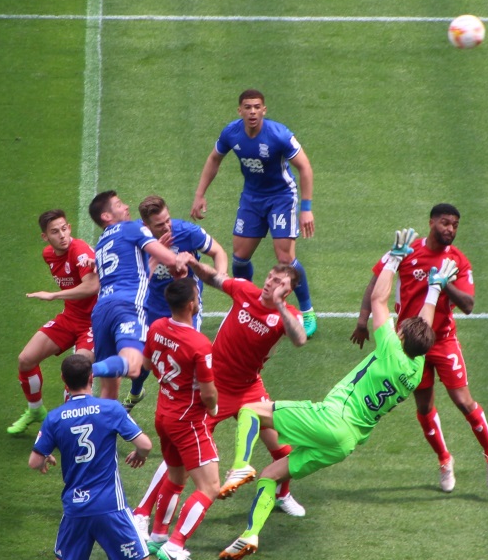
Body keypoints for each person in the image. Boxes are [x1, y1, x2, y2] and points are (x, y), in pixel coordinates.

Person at [218, 229, 451, 560]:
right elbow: (423, 330)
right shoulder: (415, 368)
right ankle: (249, 534)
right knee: (271, 475)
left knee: (251, 411)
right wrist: (435, 290)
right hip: (346, 443)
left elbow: (379, 301)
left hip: (331, 418)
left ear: (400, 336)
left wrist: (393, 259)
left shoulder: (391, 349)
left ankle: (240, 466)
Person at [132, 258, 308, 542]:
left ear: (287, 291)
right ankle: (142, 512)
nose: (270, 283)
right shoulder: (244, 290)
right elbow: (214, 277)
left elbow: (300, 339)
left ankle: (282, 494)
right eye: (270, 277)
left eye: (279, 282)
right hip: (215, 387)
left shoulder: (288, 315)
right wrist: (193, 262)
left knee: (282, 448)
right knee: (181, 458)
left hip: (249, 389)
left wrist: (278, 305)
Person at [24, 354, 178, 560]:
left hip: (76, 510)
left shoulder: (55, 417)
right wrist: (139, 455)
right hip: (110, 507)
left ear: (64, 381)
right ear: (91, 379)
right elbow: (145, 444)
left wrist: (47, 457)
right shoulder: (110, 409)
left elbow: (34, 461)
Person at [350, 203, 488, 493]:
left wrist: (445, 284)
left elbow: (468, 305)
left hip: (443, 340)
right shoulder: (408, 252)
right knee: (424, 406)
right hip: (410, 344)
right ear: (431, 222)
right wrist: (362, 320)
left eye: (455, 225)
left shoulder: (458, 261)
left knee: (463, 401)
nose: (450, 229)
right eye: (445, 223)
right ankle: (444, 460)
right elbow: (376, 283)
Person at [190, 88, 318, 337]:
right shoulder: (231, 133)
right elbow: (214, 159)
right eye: (247, 107)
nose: (252, 112)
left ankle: (307, 311)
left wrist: (306, 209)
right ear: (240, 111)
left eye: (257, 107)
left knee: (285, 258)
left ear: (264, 110)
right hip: (252, 198)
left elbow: (305, 167)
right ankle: (246, 306)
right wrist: (199, 194)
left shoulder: (279, 134)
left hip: (281, 197)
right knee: (240, 257)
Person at [139, 279, 219, 560]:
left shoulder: (157, 326)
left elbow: (147, 364)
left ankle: (158, 536)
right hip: (188, 421)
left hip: (164, 414)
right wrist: (213, 408)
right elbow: (209, 394)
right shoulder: (199, 344)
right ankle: (175, 545)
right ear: (191, 304)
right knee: (210, 486)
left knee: (175, 476)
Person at [122, 195, 228, 412]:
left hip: (186, 306)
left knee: (188, 356)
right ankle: (136, 392)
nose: (167, 227)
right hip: (152, 306)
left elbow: (218, 252)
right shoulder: (135, 238)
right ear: (146, 226)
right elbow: (134, 280)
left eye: (168, 220)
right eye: (159, 225)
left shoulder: (186, 232)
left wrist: (221, 277)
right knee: (143, 360)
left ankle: (195, 405)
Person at [87, 190, 191, 400]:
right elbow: (172, 260)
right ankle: (86, 369)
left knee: (109, 389)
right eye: (119, 204)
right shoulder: (131, 228)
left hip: (101, 312)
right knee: (134, 366)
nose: (126, 207)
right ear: (106, 216)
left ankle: (105, 421)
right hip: (127, 305)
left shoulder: (101, 244)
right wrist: (183, 260)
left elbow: (141, 274)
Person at [8, 209, 99, 435]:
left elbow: (92, 286)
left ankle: (72, 426)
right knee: (26, 360)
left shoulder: (79, 251)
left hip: (94, 322)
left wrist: (53, 295)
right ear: (45, 237)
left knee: (77, 370)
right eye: (55, 232)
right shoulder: (48, 254)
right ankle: (35, 410)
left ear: (70, 228)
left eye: (64, 229)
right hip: (70, 317)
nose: (62, 235)